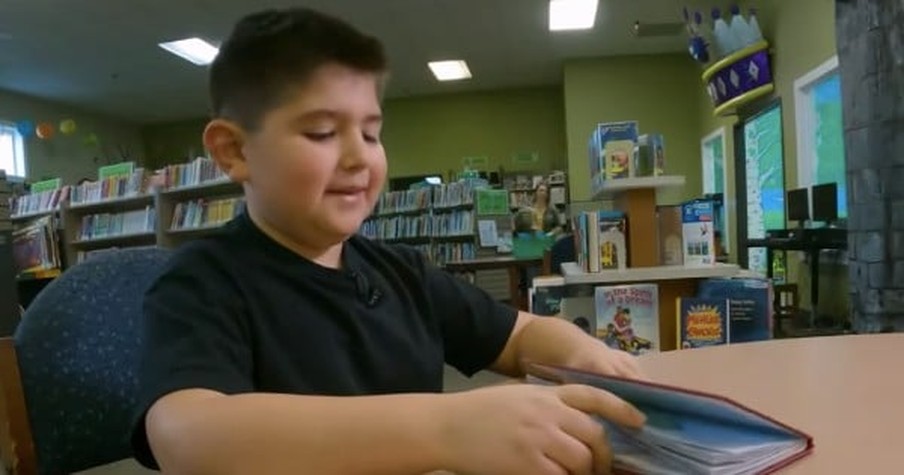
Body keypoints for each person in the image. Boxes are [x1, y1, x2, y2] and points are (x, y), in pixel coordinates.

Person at [130, 7, 647, 475]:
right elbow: (189, 437)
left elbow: (516, 335)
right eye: (322, 133)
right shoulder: (201, 281)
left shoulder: (402, 272)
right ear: (234, 150)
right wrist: (447, 428)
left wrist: (575, 348)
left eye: (372, 134)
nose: (360, 159)